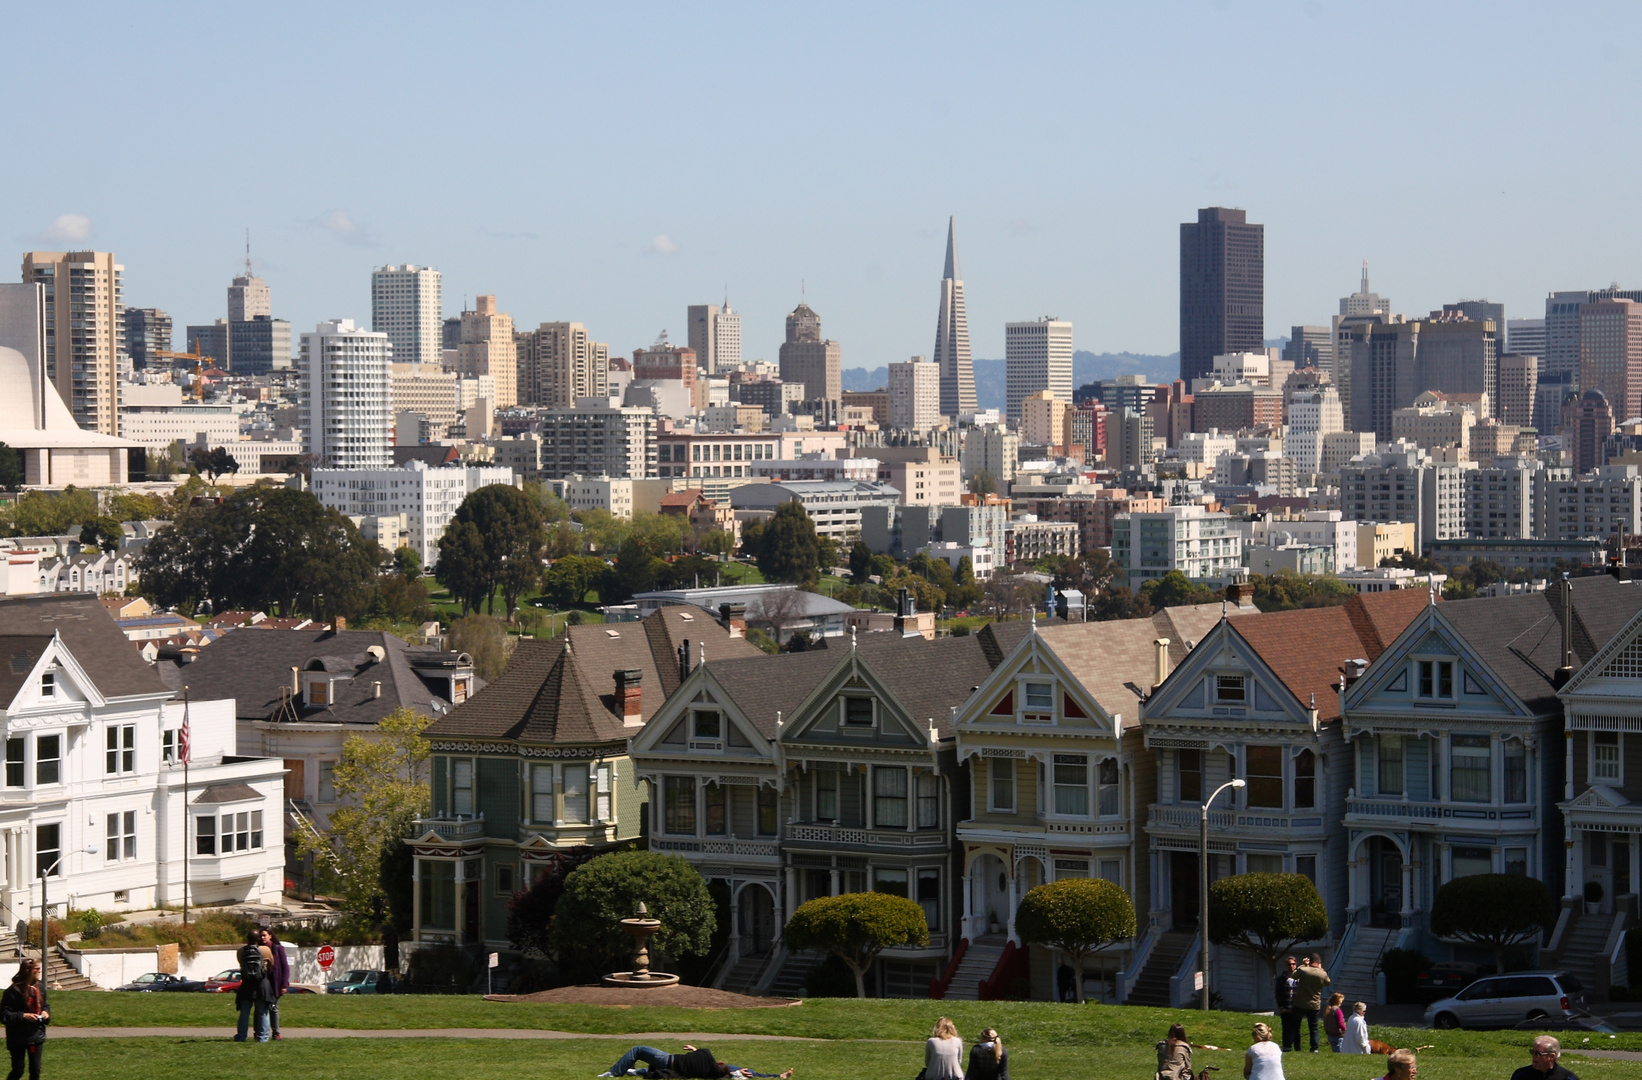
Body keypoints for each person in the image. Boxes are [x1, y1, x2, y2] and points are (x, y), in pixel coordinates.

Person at [1, 959, 47, 1080]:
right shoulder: (13, 991)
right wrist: (23, 1016)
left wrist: (46, 1012)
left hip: (36, 1034)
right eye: (36, 969)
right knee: (18, 1070)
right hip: (18, 1037)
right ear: (28, 971)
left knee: (35, 1070)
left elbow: (45, 1005)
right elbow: (4, 1014)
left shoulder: (40, 987)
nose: (39, 971)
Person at [233, 929, 275, 1044]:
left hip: (247, 984)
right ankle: (263, 1037)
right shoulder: (265, 950)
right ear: (258, 939)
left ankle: (241, 1036)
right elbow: (271, 963)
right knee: (263, 1011)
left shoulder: (241, 951)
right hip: (262, 984)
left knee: (245, 1011)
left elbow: (241, 963)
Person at [1292, 953, 1331, 1053]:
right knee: (1313, 1027)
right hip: (1314, 1004)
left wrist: (1304, 965)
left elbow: (1294, 975)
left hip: (1300, 1003)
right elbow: (1328, 982)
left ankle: (1297, 1047)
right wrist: (1321, 969)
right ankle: (1314, 1048)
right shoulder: (1322, 974)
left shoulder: (1304, 970)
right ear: (1319, 962)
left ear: (1309, 961)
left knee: (1296, 1026)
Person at [261, 929, 289, 1041]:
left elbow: (285, 967)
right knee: (263, 1008)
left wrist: (284, 984)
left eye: (264, 935)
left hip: (275, 983)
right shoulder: (260, 949)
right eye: (261, 936)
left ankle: (276, 1032)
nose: (262, 938)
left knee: (274, 1008)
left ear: (270, 936)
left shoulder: (277, 948)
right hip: (263, 982)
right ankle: (262, 1032)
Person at [1510, 1036, 1579, 1080]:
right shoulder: (1520, 1075)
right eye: (1532, 1052)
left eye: (1538, 1053)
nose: (1534, 1056)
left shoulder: (1568, 1078)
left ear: (1552, 1056)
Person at [1272, 956, 1299, 1052]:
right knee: (1286, 1028)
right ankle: (1286, 1047)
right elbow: (1278, 994)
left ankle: (1297, 1048)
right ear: (1286, 965)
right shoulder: (1281, 979)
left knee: (1297, 1029)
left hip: (1296, 1008)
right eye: (1289, 964)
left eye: (1293, 964)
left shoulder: (1299, 978)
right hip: (1286, 1008)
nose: (1291, 966)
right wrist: (1281, 1007)